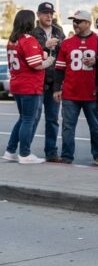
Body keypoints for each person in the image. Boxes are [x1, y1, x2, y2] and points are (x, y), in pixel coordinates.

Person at [53, 10, 98, 165]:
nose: (75, 24)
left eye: (79, 21)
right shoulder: (67, 43)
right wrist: (57, 88)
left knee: (95, 127)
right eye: (74, 21)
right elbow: (59, 68)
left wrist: (97, 60)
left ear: (88, 23)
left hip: (91, 92)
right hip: (70, 92)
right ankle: (67, 156)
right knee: (68, 127)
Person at [3, 10, 54, 163]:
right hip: (29, 85)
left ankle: (10, 150)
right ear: (29, 22)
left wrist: (42, 53)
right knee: (28, 120)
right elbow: (36, 65)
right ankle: (24, 154)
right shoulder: (28, 39)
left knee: (23, 119)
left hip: (17, 83)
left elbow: (28, 58)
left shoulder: (13, 40)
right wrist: (50, 60)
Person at [32, 2, 65, 163]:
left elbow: (64, 53)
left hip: (54, 83)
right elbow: (29, 53)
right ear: (38, 15)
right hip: (37, 82)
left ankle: (51, 153)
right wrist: (44, 46)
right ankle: (25, 151)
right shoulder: (32, 32)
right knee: (33, 118)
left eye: (51, 13)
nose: (49, 16)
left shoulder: (59, 30)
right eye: (45, 13)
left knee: (52, 119)